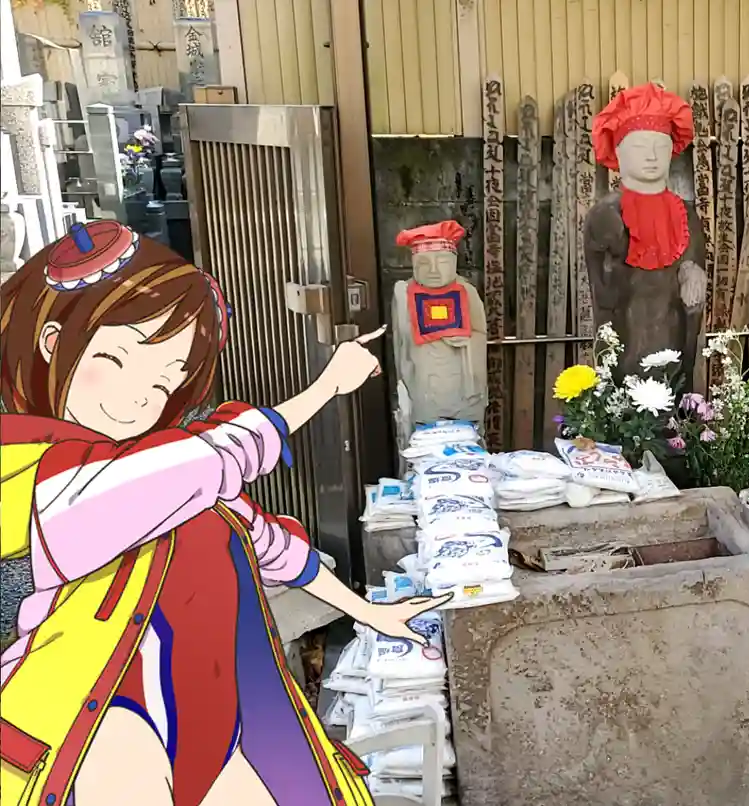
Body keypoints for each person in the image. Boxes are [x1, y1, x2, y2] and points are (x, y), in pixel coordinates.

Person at [0, 221, 448, 806]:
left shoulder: (167, 464)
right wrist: (323, 390)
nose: (141, 398)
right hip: (101, 707)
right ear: (52, 342)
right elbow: (204, 462)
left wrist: (368, 612)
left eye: (166, 381)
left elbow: (268, 544)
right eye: (120, 357)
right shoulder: (39, 471)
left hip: (211, 710)